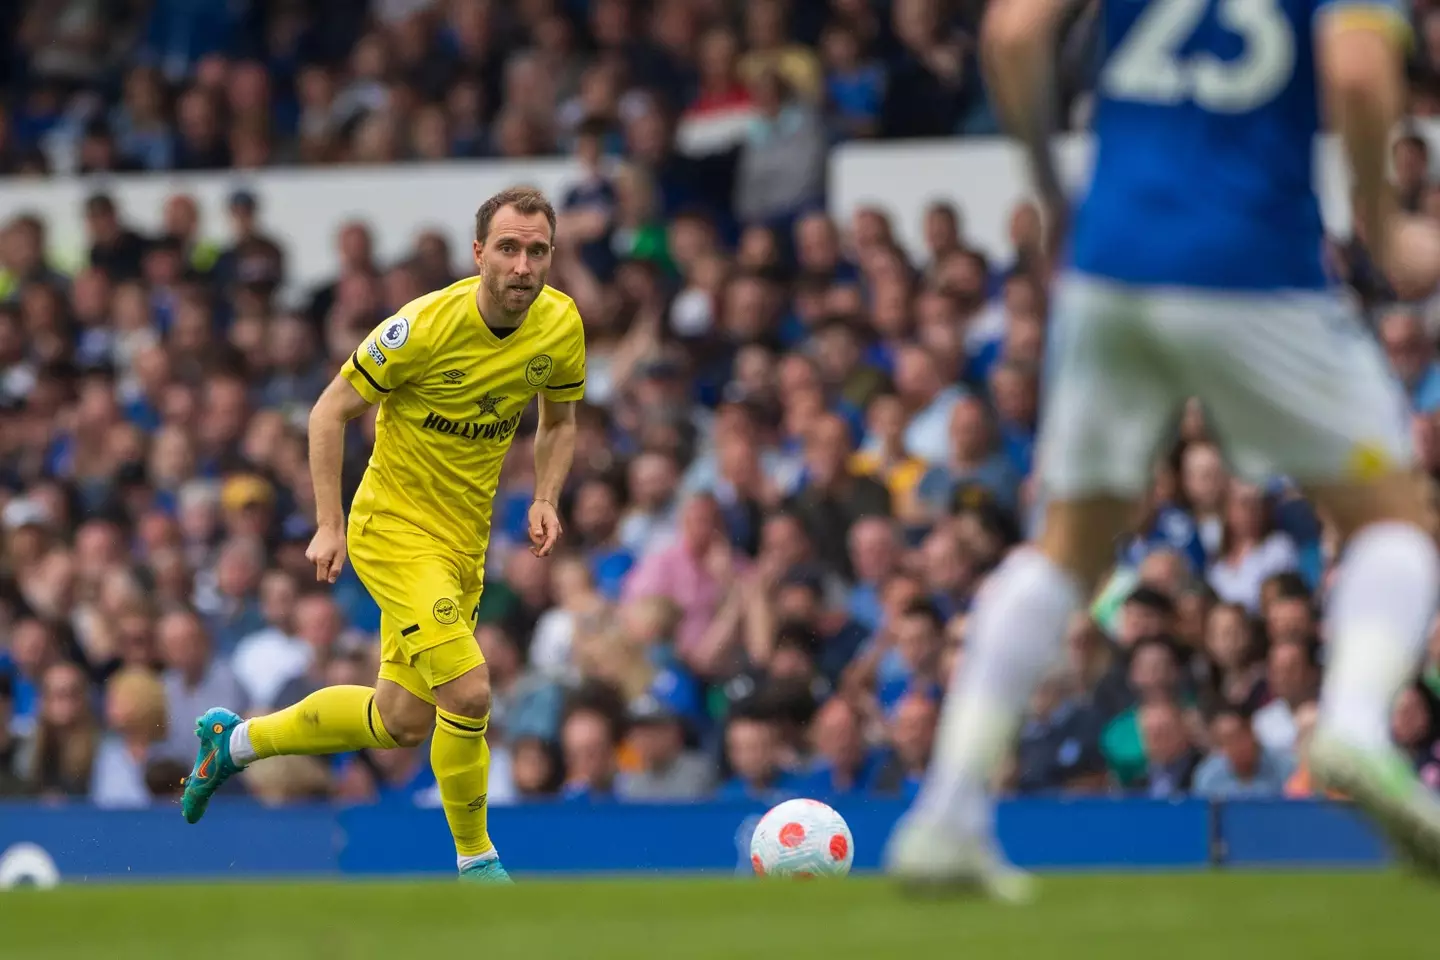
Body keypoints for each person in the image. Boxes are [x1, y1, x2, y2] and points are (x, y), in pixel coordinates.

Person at [888, 0, 1440, 900]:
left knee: (1066, 548)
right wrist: (1383, 223)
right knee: (1396, 524)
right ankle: (1354, 726)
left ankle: (946, 815)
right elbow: (1356, 72)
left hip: (1112, 264)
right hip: (1257, 267)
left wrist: (1051, 191)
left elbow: (1013, 35)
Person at [178, 187, 587, 883]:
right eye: (510, 249)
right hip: (392, 529)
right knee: (468, 692)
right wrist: (328, 524)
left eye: (538, 251)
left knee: (399, 719)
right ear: (479, 252)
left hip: (463, 546)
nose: (524, 265)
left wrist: (546, 496)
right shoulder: (422, 327)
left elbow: (559, 420)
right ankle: (477, 864)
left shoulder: (560, 324)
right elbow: (328, 412)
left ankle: (234, 742)